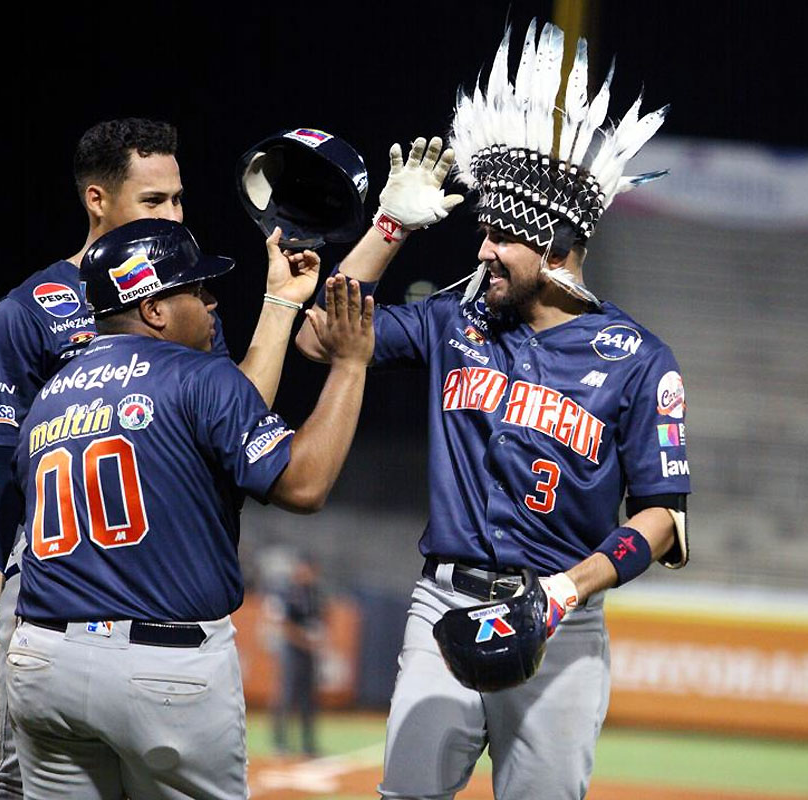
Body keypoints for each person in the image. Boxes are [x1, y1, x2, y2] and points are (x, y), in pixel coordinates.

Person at [295, 19, 691, 800]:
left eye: (502, 236)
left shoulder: (642, 360)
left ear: (553, 243)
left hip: (561, 621)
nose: (482, 251)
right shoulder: (455, 320)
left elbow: (664, 517)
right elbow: (318, 339)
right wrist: (390, 228)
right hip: (444, 602)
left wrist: (565, 592)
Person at [0, 117, 332, 799]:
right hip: (48, 583)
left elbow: (228, 413)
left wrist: (278, 305)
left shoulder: (173, 295)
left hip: (131, 589)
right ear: (97, 200)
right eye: (155, 201)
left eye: (178, 198)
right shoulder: (29, 312)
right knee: (12, 784)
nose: (175, 213)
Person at [6, 217, 373, 798]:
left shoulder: (51, 398)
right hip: (163, 668)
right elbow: (303, 486)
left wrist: (279, 303)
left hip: (41, 660)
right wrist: (351, 365)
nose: (211, 302)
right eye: (196, 290)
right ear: (152, 309)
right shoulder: (199, 375)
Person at [272, 555, 324, 758]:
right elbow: (284, 625)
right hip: (293, 648)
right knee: (286, 695)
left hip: (309, 650)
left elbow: (319, 621)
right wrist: (304, 640)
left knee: (307, 698)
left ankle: (308, 745)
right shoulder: (290, 593)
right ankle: (281, 744)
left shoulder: (314, 593)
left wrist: (315, 641)